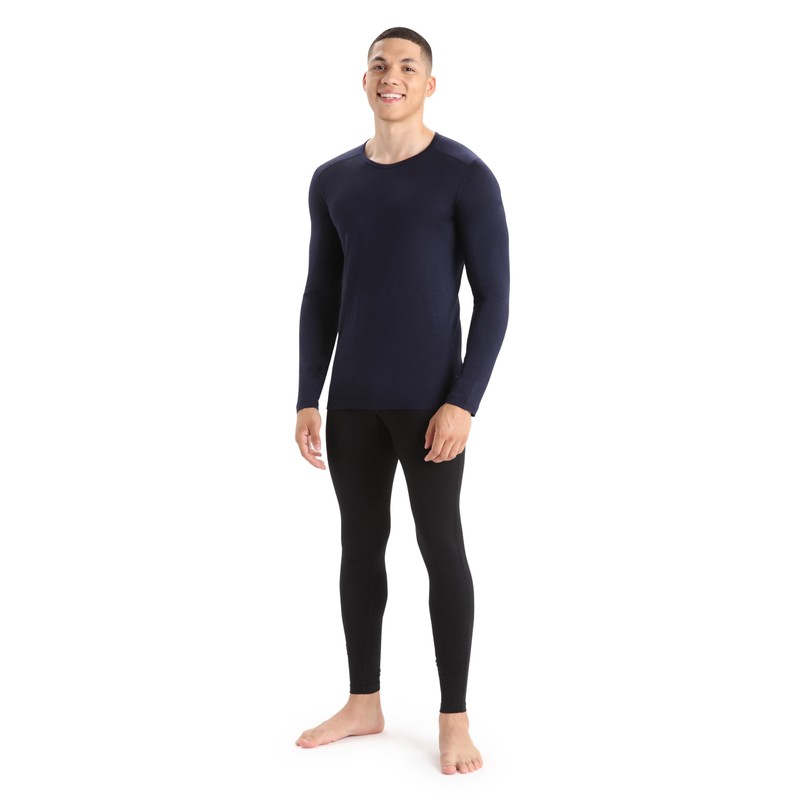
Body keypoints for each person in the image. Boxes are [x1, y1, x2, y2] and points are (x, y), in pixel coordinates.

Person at [293, 26, 510, 775]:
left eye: (408, 67)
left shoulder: (464, 175)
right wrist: (307, 395)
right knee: (360, 545)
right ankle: (364, 702)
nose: (392, 76)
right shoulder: (332, 180)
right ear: (365, 81)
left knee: (440, 546)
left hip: (430, 406)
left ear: (429, 85)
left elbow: (495, 299)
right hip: (352, 402)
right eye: (380, 65)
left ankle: (454, 718)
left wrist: (464, 402)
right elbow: (321, 295)